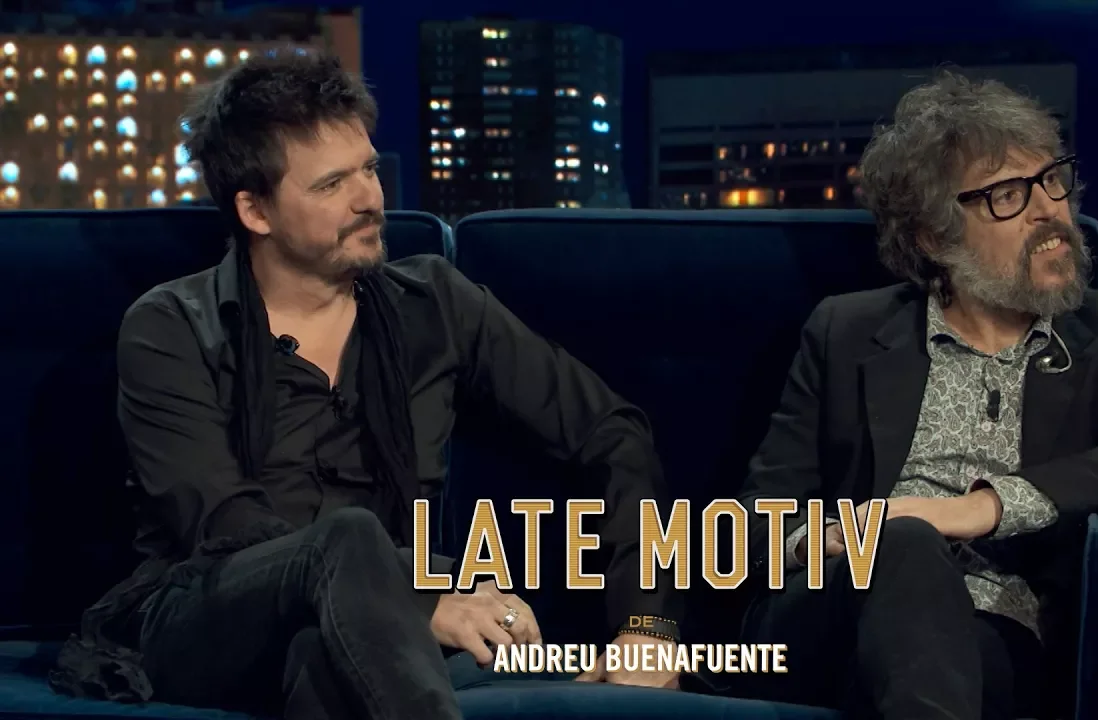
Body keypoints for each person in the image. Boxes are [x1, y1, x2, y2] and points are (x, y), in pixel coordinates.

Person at [48, 51, 681, 719]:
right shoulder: (171, 327)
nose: (369, 199)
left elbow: (612, 433)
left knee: (322, 657)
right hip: (207, 618)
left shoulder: (435, 307)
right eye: (331, 184)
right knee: (348, 539)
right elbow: (221, 524)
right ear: (255, 210)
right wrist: (416, 595)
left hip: (364, 641)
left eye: (369, 170)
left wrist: (647, 627)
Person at [734, 71, 1098, 720]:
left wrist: (978, 508)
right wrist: (827, 541)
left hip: (997, 638)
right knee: (903, 544)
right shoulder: (847, 330)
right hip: (834, 614)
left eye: (1052, 179)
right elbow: (760, 514)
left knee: (919, 589)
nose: (1049, 210)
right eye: (1008, 195)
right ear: (935, 237)